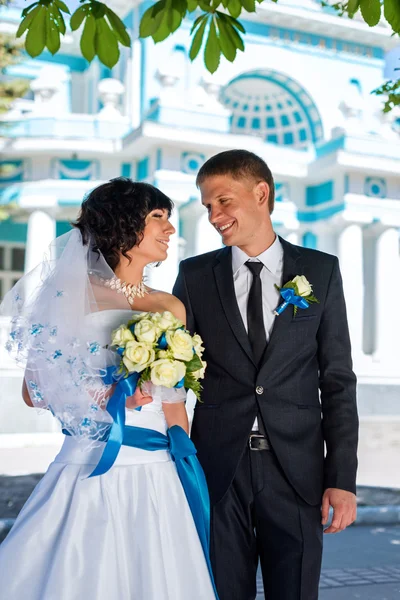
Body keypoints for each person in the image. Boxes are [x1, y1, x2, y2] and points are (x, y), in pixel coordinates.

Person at [0, 178, 217, 600]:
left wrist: (184, 459)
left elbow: (174, 403)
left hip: (161, 470)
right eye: (158, 218)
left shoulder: (168, 306)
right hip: (93, 462)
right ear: (122, 224)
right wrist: (110, 392)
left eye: (169, 220)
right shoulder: (71, 296)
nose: (170, 230)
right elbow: (35, 391)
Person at [173, 149, 359, 600]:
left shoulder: (321, 271)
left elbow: (337, 381)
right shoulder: (195, 275)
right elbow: (173, 374)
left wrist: (342, 479)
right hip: (218, 471)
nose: (215, 216)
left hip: (297, 472)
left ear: (261, 193)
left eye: (223, 201)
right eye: (208, 207)